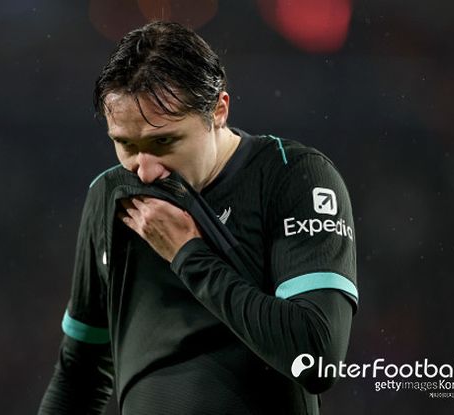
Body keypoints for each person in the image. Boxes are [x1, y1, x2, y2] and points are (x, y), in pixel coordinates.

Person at [38, 21, 358, 415]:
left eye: (163, 141)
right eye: (126, 145)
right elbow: (78, 376)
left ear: (218, 110)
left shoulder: (293, 177)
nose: (145, 170)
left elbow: (317, 357)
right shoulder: (109, 197)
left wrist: (189, 255)